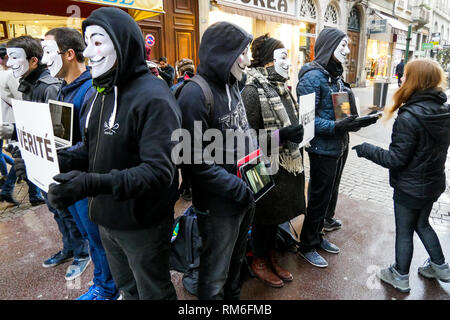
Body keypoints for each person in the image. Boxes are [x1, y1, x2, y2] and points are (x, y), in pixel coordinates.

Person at [47, 7, 181, 300]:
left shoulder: (155, 97)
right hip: (106, 219)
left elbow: (159, 172)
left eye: (98, 41)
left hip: (142, 223)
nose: (89, 51)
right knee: (127, 288)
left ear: (123, 43)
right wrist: (63, 157)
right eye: (87, 42)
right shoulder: (98, 92)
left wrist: (89, 184)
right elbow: (94, 147)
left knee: (153, 291)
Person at [353, 58, 450, 293]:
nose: (402, 79)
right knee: (422, 223)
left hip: (410, 187)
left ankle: (400, 275)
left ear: (416, 80)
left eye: (406, 75)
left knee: (405, 230)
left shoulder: (409, 116)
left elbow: (395, 159)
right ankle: (440, 266)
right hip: (433, 183)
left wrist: (367, 149)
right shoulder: (443, 110)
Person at [177, 21, 255, 300]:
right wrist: (235, 188)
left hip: (243, 194)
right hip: (218, 205)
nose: (247, 61)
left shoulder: (232, 83)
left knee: (235, 265)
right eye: (242, 53)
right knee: (214, 275)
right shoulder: (195, 94)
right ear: (223, 53)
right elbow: (193, 162)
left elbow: (243, 132)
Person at [41, 27, 118, 300]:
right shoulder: (64, 89)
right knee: (90, 236)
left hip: (85, 181)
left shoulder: (89, 90)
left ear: (70, 54)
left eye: (48, 53)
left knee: (97, 239)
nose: (43, 60)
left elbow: (91, 143)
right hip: (70, 178)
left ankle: (107, 288)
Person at [5, 35, 91, 280]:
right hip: (49, 161)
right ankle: (71, 248)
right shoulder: (38, 84)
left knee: (68, 212)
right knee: (57, 210)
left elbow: (61, 132)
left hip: (62, 165)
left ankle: (82, 253)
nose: (9, 63)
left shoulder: (52, 86)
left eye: (14, 57)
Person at [296, 28, 378, 268]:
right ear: (328, 46)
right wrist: (337, 125)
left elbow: (341, 112)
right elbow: (307, 120)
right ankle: (306, 245)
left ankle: (318, 236)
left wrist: (354, 122)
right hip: (322, 148)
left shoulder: (336, 75)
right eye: (342, 45)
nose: (347, 50)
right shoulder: (312, 77)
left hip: (339, 145)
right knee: (319, 198)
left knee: (330, 195)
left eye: (347, 45)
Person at [241, 34, 305, 288]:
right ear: (267, 62)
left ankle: (270, 255)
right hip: (264, 168)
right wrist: (283, 135)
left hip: (284, 166)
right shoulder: (252, 89)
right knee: (263, 218)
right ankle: (259, 261)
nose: (288, 63)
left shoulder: (282, 88)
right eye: (282, 57)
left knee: (275, 217)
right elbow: (246, 138)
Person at [0, 37, 50, 207]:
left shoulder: (44, 85)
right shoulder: (19, 79)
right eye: (9, 57)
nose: (10, 62)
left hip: (19, 126)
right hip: (20, 127)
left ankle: (27, 192)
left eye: (15, 57)